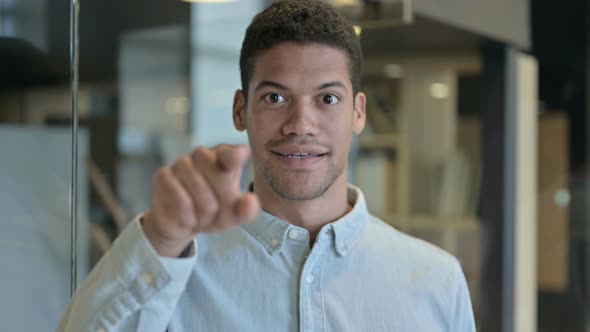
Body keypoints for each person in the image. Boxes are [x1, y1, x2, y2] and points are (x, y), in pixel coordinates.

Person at [58, 0, 476, 331]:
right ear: (241, 110)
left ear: (358, 112)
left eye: (327, 98)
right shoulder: (172, 268)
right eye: (275, 97)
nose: (300, 124)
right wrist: (160, 239)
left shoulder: (437, 281)